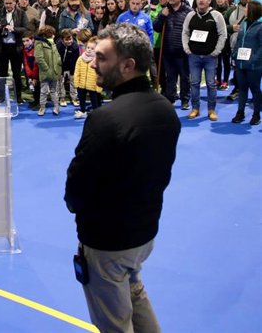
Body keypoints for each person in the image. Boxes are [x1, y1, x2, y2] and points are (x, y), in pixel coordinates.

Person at [64, 23, 181, 332]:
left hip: (107, 243)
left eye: (102, 57)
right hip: (143, 233)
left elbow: (76, 188)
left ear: (128, 65)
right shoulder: (165, 110)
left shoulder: (106, 119)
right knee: (134, 289)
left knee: (114, 324)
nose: (92, 63)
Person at [182, 0, 227, 121]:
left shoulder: (217, 16)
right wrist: (186, 48)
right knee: (194, 83)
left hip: (210, 57)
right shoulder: (190, 15)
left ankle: (211, 110)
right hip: (194, 56)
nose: (201, 0)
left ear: (209, 1)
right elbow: (185, 32)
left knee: (211, 84)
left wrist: (217, 51)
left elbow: (222, 35)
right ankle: (195, 108)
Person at [231, 1, 262, 125]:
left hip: (254, 65)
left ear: (253, 10)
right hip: (240, 63)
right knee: (242, 88)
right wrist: (234, 54)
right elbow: (239, 40)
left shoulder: (260, 26)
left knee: (255, 89)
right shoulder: (243, 24)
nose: (244, 10)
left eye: (247, 8)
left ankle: (256, 114)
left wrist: (254, 59)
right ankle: (240, 112)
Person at [34, 25, 62, 116]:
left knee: (54, 90)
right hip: (45, 73)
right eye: (52, 33)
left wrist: (58, 65)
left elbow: (57, 56)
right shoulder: (39, 43)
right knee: (44, 91)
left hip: (55, 72)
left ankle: (56, 107)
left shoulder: (53, 43)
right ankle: (42, 107)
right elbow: (39, 58)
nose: (54, 35)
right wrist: (46, 69)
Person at [73, 36, 102, 119]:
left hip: (93, 85)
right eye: (88, 47)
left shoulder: (98, 60)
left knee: (95, 101)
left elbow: (100, 74)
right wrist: (76, 82)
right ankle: (82, 111)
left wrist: (99, 87)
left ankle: (96, 113)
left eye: (92, 48)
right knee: (81, 99)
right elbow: (77, 72)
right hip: (81, 84)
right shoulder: (80, 59)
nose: (89, 49)